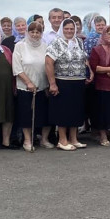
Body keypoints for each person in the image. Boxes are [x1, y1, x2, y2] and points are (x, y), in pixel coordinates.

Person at [45, 18, 90, 151]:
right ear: (62, 30)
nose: (69, 31)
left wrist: (90, 72)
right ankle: (62, 140)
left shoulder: (79, 42)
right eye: (66, 29)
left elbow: (84, 59)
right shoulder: (56, 43)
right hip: (62, 82)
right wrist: (52, 83)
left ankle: (73, 139)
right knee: (63, 112)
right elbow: (48, 62)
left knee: (76, 111)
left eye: (71, 29)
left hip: (78, 82)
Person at [12, 19, 52, 151]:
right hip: (26, 87)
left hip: (43, 86)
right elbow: (16, 67)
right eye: (32, 31)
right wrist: (28, 82)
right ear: (28, 32)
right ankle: (27, 140)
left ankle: (44, 139)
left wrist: (48, 84)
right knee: (26, 115)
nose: (35, 34)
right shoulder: (20, 46)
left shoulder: (46, 46)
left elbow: (49, 65)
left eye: (38, 32)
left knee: (45, 115)